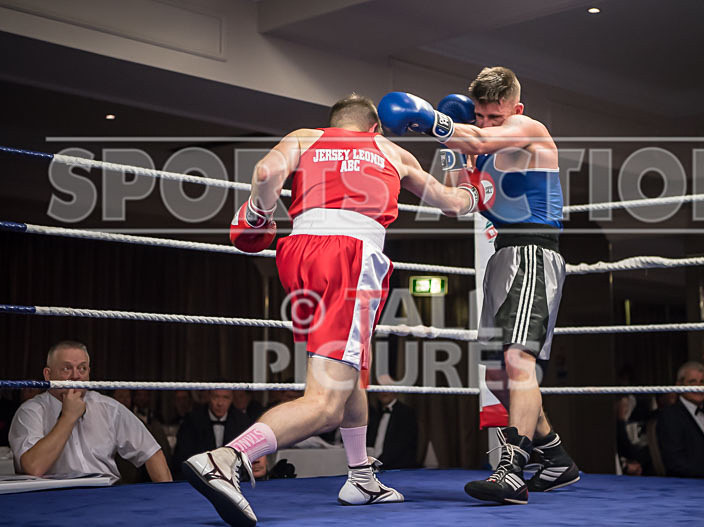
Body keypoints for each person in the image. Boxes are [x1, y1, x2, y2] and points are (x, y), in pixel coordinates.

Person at [182, 93, 478, 526]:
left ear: (334, 123)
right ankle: (226, 458)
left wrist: (260, 213)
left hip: (299, 256)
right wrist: (472, 176)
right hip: (350, 259)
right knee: (324, 404)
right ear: (374, 128)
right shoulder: (391, 151)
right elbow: (455, 204)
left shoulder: (306, 137)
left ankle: (360, 477)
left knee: (348, 372)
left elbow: (265, 172)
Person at [379, 66, 578, 504]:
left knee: (516, 359)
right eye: (481, 116)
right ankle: (557, 458)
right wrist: (412, 170)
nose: (488, 123)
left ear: (514, 109)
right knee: (495, 372)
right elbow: (455, 202)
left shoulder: (528, 129)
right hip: (502, 258)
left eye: (495, 115)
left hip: (532, 250)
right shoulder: (481, 154)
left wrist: (432, 118)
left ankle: (512, 469)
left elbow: (479, 139)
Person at [8, 341, 172, 484]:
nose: (76, 376)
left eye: (82, 368)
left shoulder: (108, 407)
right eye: (67, 368)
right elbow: (33, 468)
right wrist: (68, 418)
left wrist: (167, 499)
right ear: (48, 375)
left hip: (107, 494)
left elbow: (152, 453)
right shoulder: (31, 412)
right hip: (54, 499)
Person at [656, 361, 704, 479]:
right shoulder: (671, 415)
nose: (698, 386)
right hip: (701, 485)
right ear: (679, 386)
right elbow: (676, 463)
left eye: (703, 382)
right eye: (692, 382)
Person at [172, 389, 250, 476]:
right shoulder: (192, 420)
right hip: (199, 477)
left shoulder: (242, 421)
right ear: (209, 397)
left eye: (226, 397)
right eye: (216, 397)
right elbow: (183, 458)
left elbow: (245, 460)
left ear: (232, 399)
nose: (220, 403)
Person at [367, 392, 418, 469]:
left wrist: (378, 463)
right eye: (381, 388)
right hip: (376, 468)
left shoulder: (406, 412)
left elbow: (401, 444)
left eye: (387, 387)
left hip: (398, 469)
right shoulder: (375, 413)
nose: (384, 392)